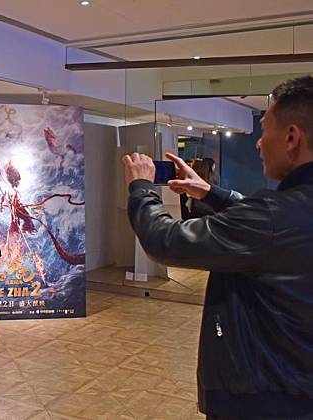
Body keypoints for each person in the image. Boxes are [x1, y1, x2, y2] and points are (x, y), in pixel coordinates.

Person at [122, 76, 313, 419]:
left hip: (263, 394)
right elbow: (268, 231)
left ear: (291, 137)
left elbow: (165, 241)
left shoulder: (273, 216)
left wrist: (141, 188)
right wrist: (210, 193)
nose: (258, 144)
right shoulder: (284, 213)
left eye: (264, 129)